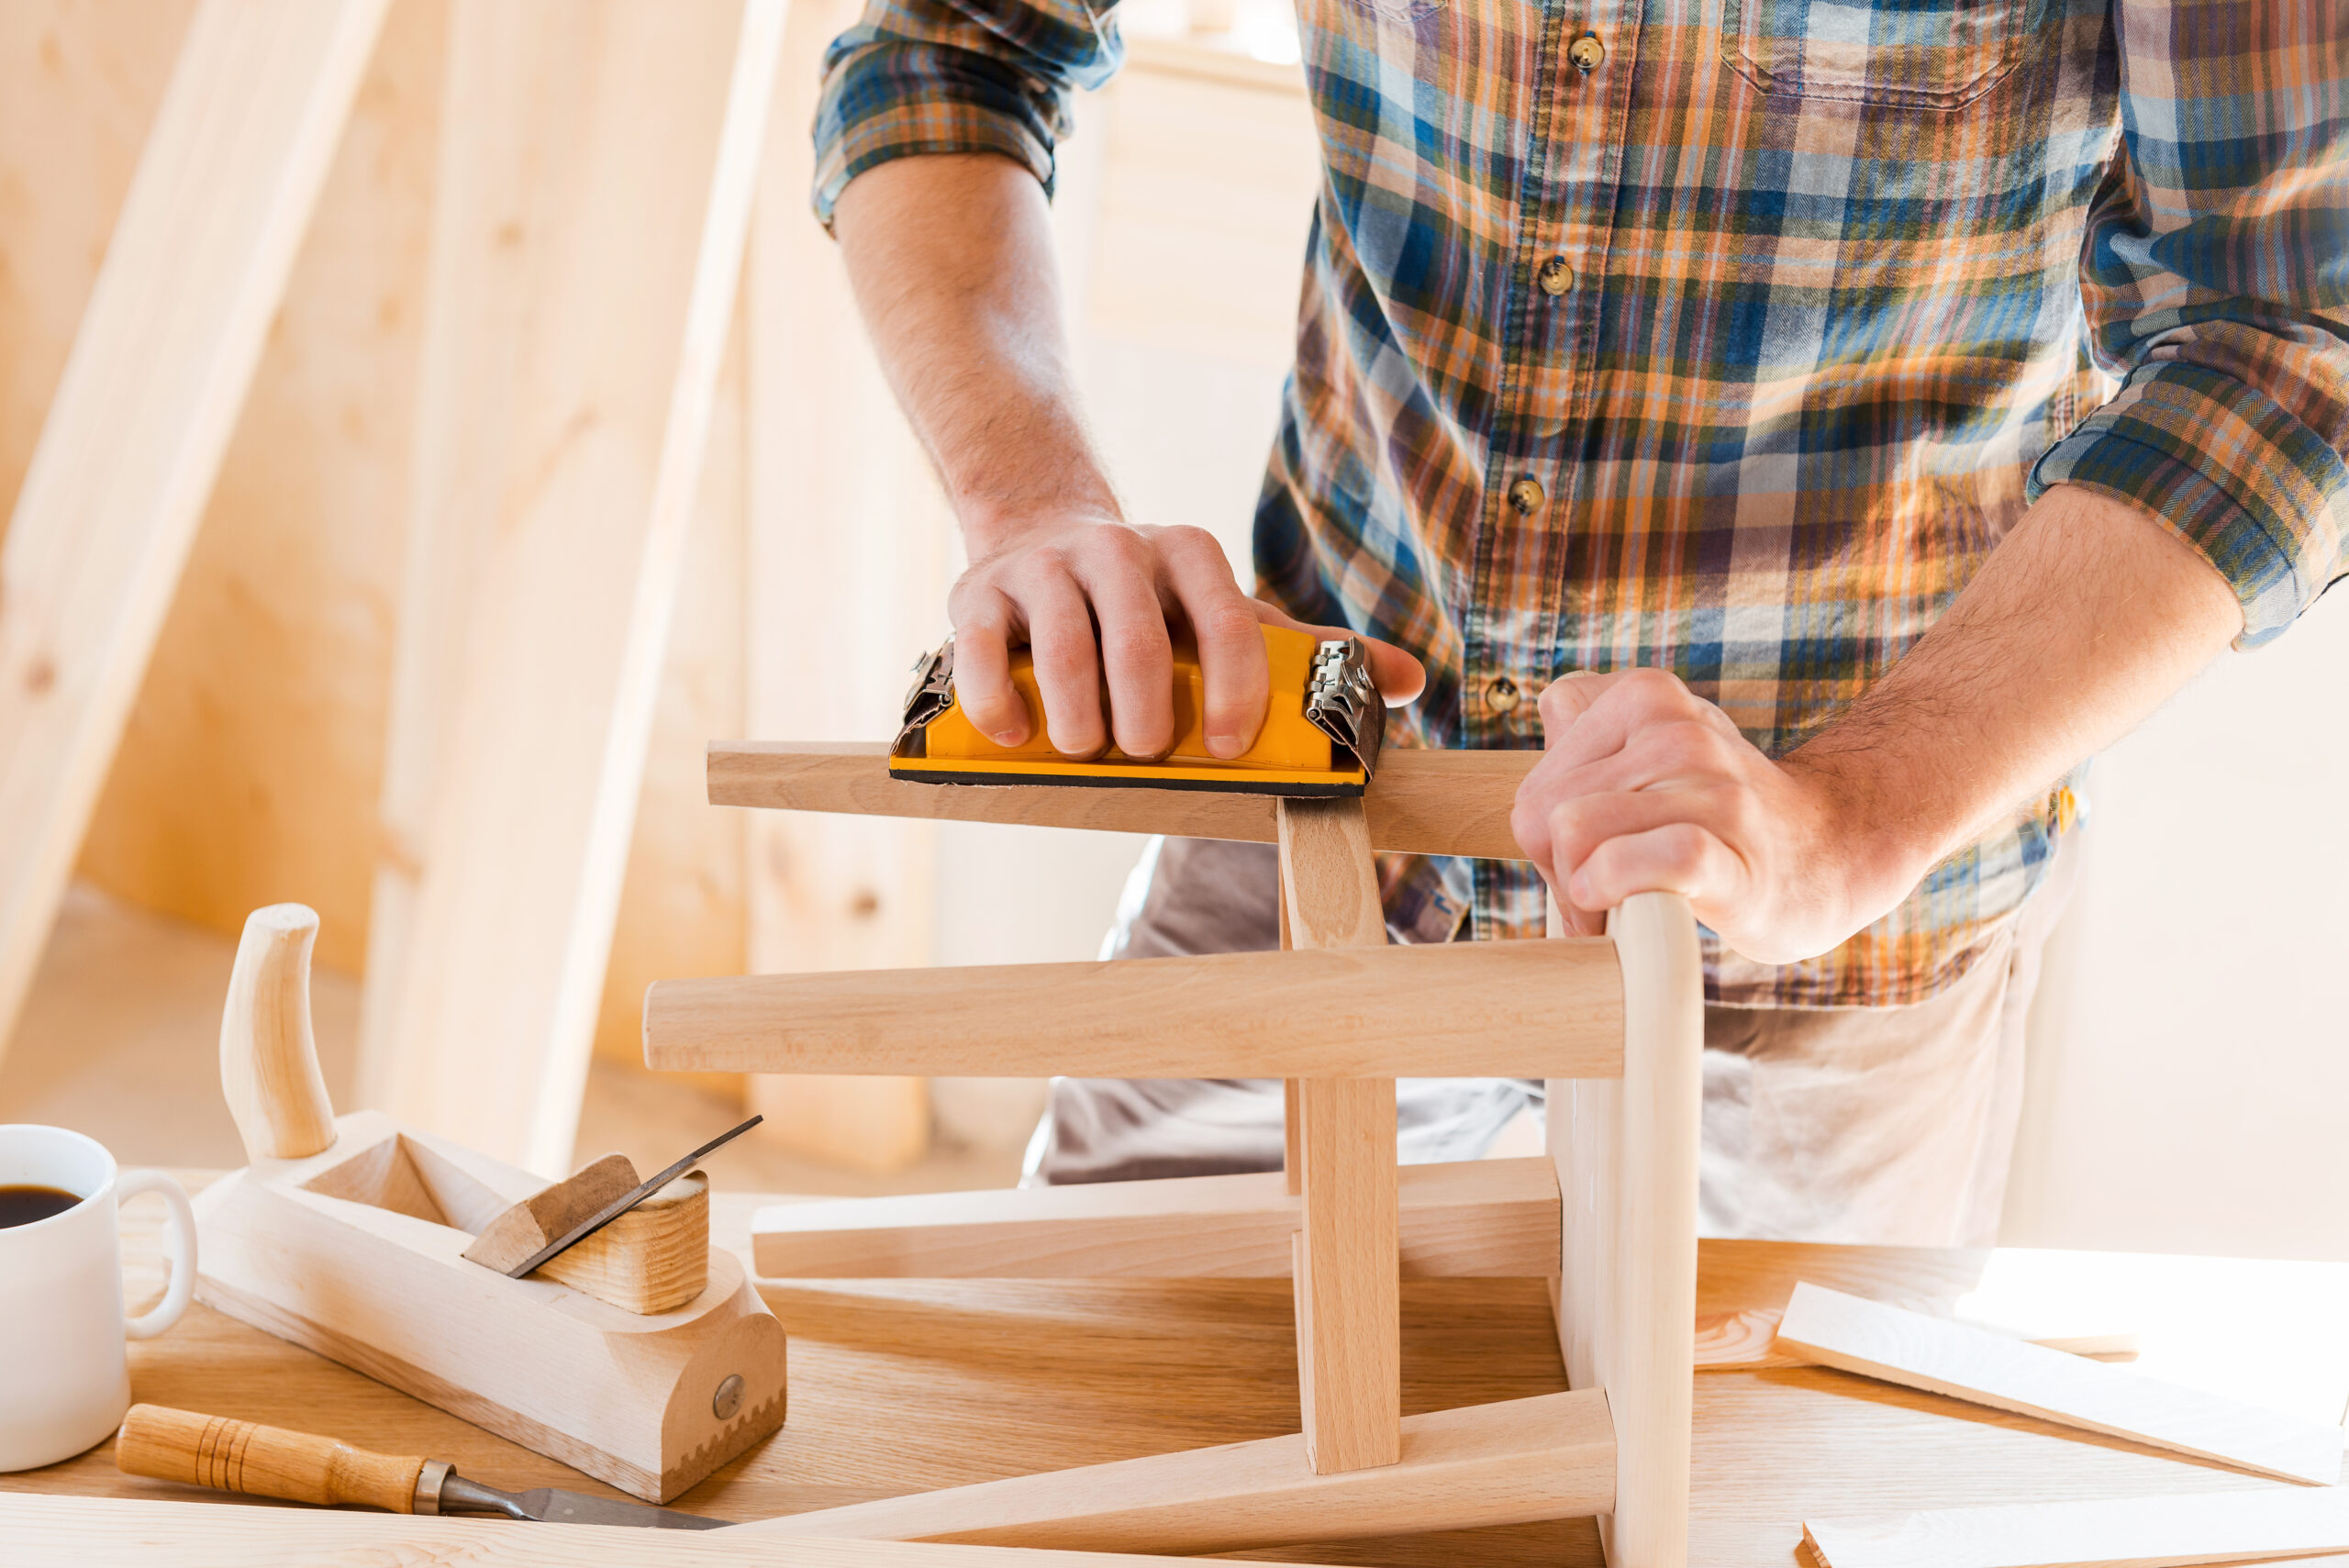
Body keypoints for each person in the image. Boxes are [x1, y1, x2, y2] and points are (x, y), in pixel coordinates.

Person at [813, 0, 2346, 1244]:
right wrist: (1033, 502)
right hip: (1320, 788)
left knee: (1748, 1508)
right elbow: (948, 43)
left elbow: (2288, 338)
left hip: (1830, 934)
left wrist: (1850, 818)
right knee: (1082, 1455)